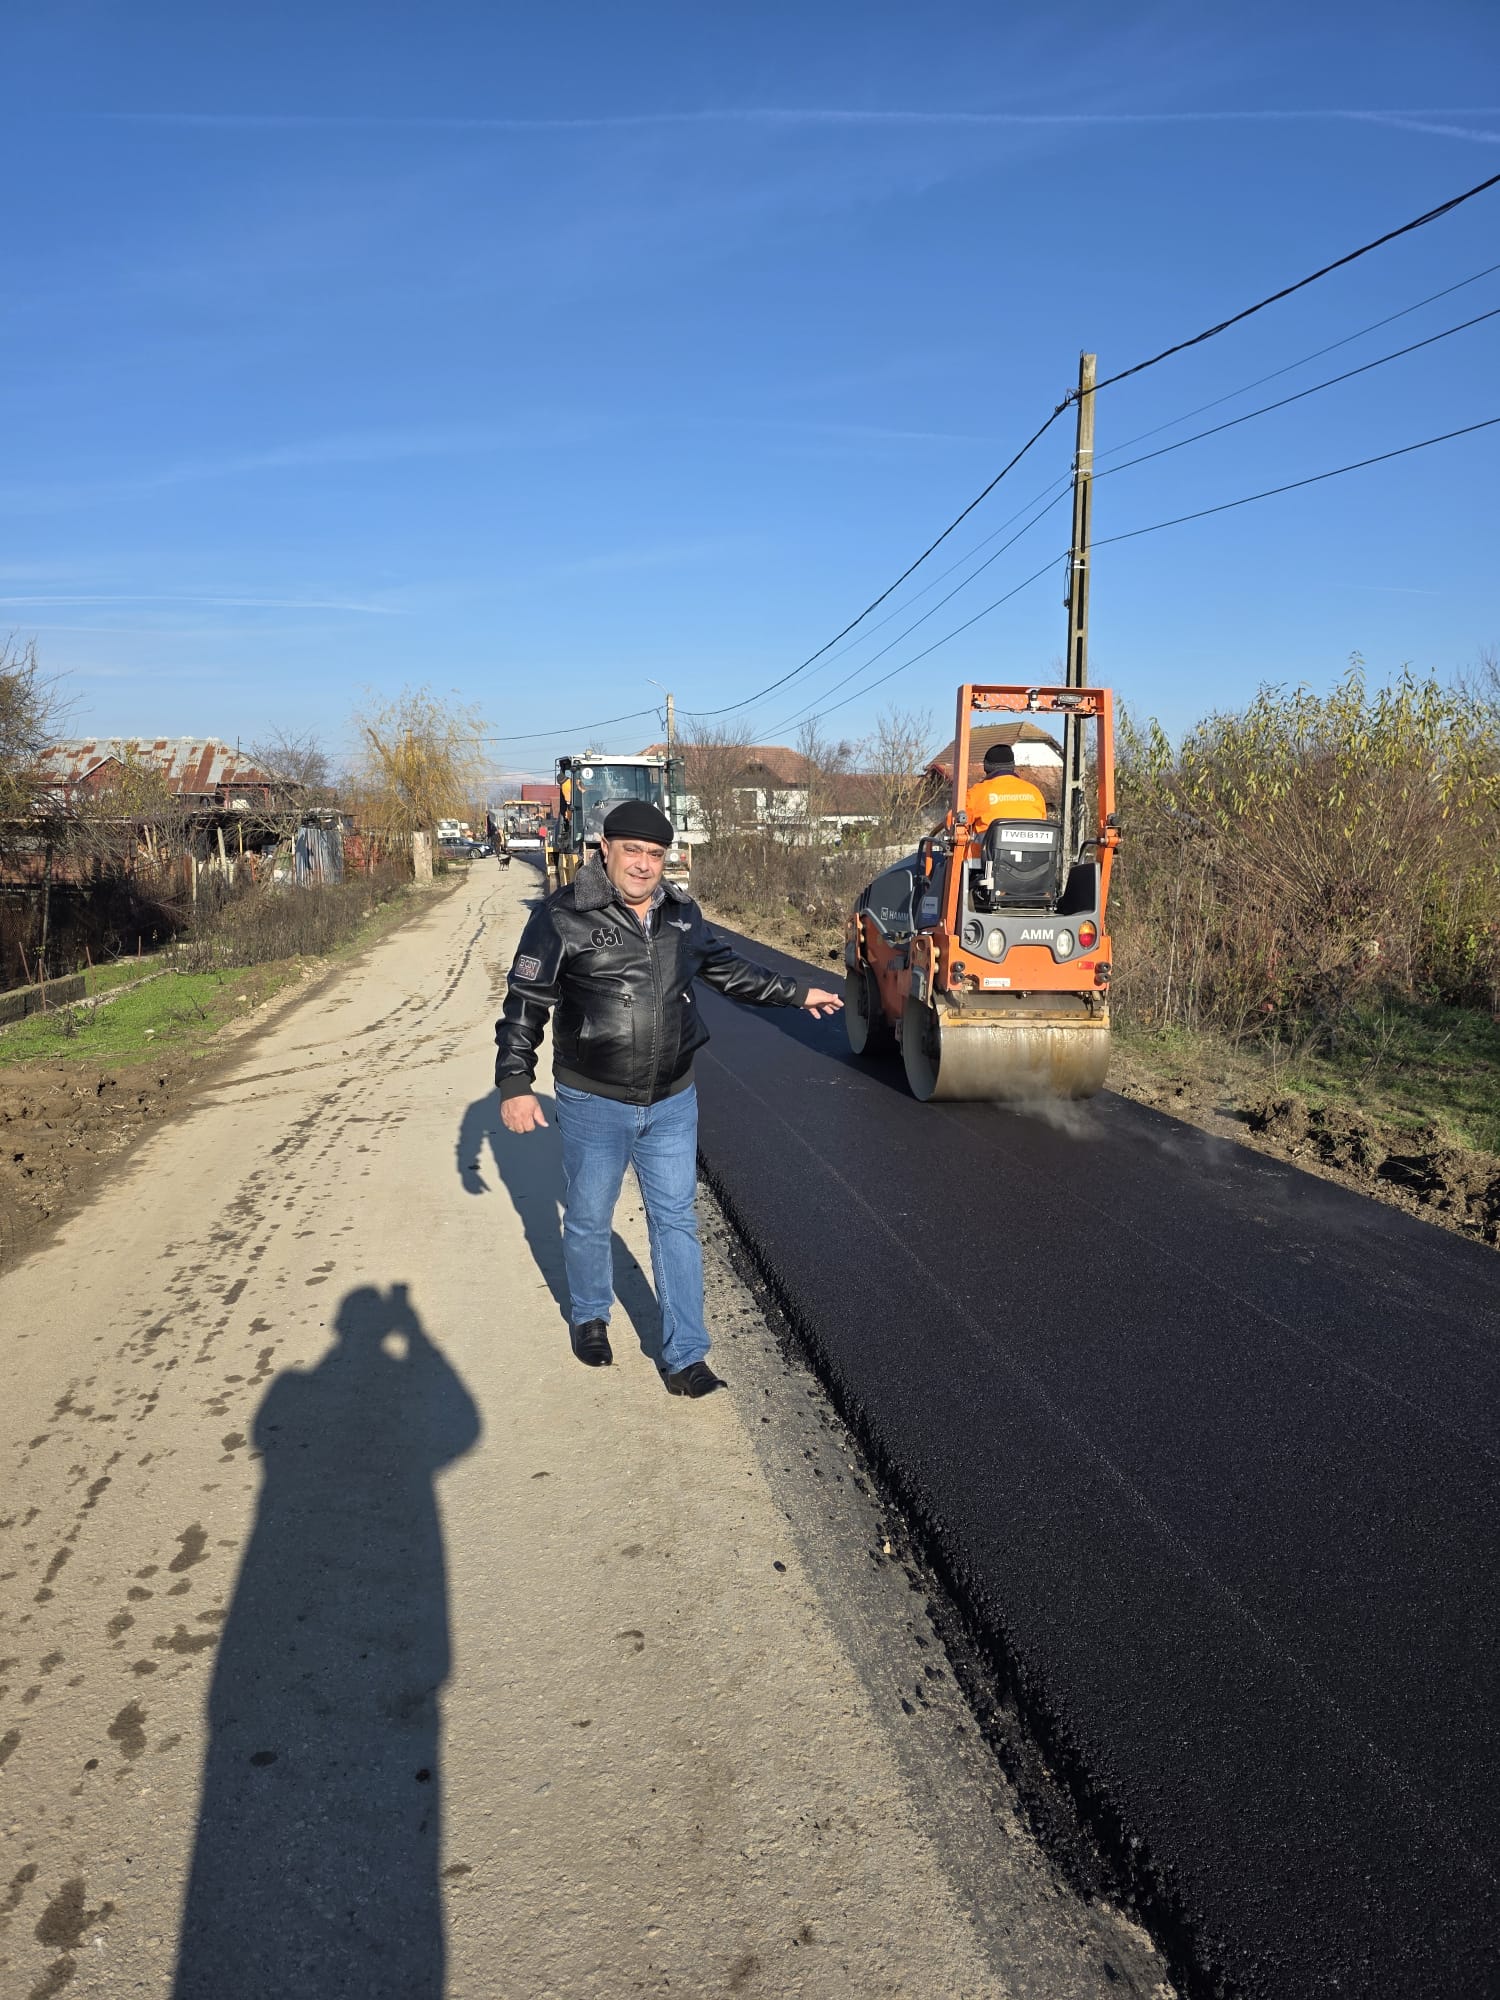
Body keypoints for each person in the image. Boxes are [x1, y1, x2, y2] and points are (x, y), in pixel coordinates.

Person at [496, 800, 842, 1399]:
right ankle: (589, 1315)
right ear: (605, 849)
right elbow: (526, 1001)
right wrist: (515, 1083)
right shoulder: (563, 917)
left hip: (673, 1100)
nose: (644, 864)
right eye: (633, 850)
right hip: (593, 1100)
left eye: (655, 854)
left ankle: (685, 1355)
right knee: (587, 1216)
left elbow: (730, 972)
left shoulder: (682, 916)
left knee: (676, 1221)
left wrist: (796, 992)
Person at [964, 740, 1047, 834]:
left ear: (986, 767)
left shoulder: (976, 793)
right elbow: (1043, 824)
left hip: (986, 849)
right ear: (1012, 765)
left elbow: (954, 823)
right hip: (1032, 848)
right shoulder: (1034, 792)